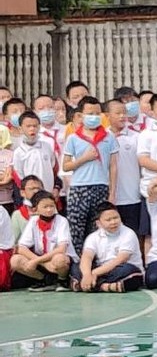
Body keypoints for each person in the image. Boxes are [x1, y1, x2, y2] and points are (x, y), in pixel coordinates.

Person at [60, 96, 117, 253]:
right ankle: (77, 267)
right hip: (79, 188)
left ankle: (96, 265)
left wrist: (112, 192)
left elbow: (113, 166)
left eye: (97, 113)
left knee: (98, 230)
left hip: (101, 187)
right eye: (90, 113)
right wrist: (84, 158)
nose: (94, 117)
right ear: (80, 115)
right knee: (76, 230)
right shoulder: (73, 138)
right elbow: (65, 165)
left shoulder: (109, 137)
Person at [75, 202, 145, 293]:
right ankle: (106, 286)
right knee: (76, 267)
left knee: (131, 271)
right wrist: (86, 274)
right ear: (98, 223)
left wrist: (94, 273)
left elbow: (120, 260)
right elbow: (87, 256)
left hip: (118, 269)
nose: (113, 222)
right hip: (102, 270)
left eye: (116, 218)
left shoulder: (128, 233)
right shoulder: (93, 237)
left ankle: (92, 285)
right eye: (108, 220)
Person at [11, 191, 73, 289]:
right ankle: (45, 280)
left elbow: (61, 249)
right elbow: (21, 248)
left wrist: (36, 261)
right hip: (42, 260)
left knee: (59, 259)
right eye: (45, 207)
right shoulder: (33, 221)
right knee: (15, 260)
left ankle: (62, 279)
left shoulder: (61, 220)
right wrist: (42, 262)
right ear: (35, 209)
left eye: (52, 206)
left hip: (57, 259)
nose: (49, 210)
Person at [106, 97, 147, 239]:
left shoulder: (137, 137)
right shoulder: (103, 138)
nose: (122, 116)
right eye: (118, 113)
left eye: (124, 112)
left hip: (132, 196)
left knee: (133, 235)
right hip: (110, 197)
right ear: (107, 116)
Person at [11, 111, 57, 201]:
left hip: (48, 193)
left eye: (35, 126)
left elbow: (54, 168)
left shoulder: (47, 146)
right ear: (20, 129)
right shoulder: (19, 152)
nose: (32, 129)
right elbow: (19, 176)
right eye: (28, 126)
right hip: (30, 198)